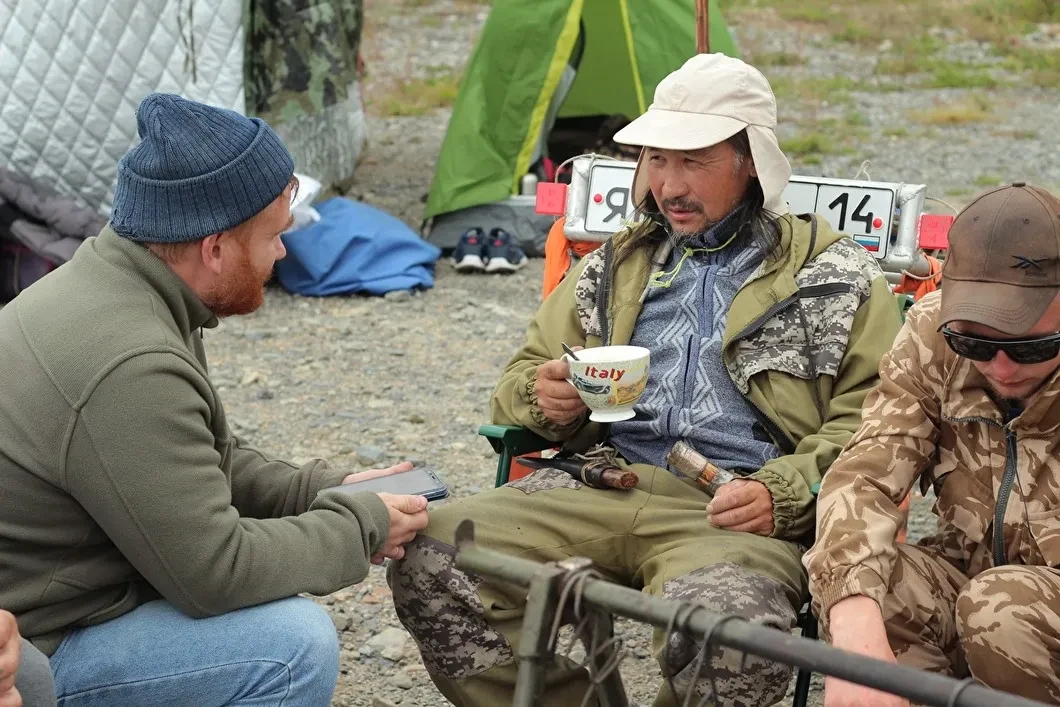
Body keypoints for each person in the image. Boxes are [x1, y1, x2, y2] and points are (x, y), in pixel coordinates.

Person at [389, 53, 902, 707]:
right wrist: (545, 398)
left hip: (732, 511)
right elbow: (519, 379)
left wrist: (783, 491)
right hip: (599, 482)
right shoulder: (617, 262)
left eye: (693, 161)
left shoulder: (833, 276)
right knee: (429, 553)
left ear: (751, 161)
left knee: (737, 634)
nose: (670, 185)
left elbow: (877, 425)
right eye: (657, 159)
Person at [0, 93, 429, 706]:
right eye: (273, 236)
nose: (282, 253)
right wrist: (363, 525)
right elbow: (215, 573)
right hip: (34, 649)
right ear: (215, 247)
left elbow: (192, 463)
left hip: (48, 600)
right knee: (291, 645)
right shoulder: (130, 362)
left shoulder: (120, 283)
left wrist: (323, 489)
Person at [805, 182, 1060, 707]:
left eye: (1032, 347)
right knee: (863, 584)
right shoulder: (931, 333)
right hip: (969, 582)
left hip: (1020, 615)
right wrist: (853, 633)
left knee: (999, 609)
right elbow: (864, 475)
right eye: (974, 342)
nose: (1001, 367)